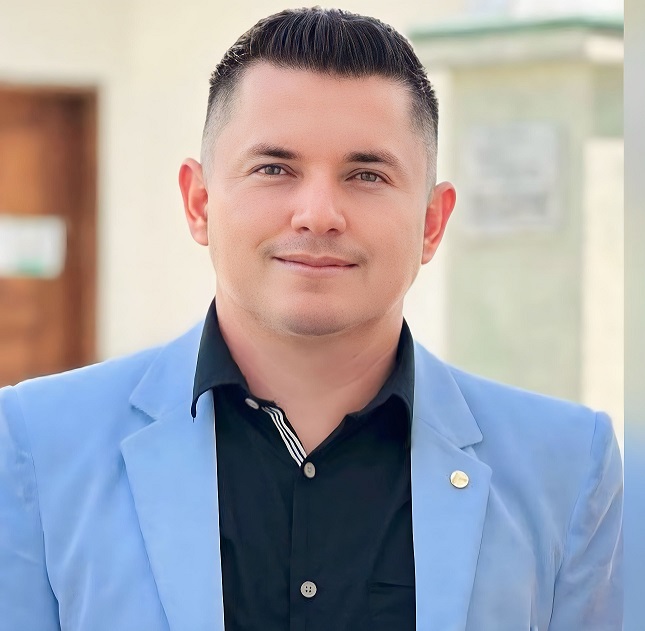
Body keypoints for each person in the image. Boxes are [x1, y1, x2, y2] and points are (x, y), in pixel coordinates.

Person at [0, 7, 622, 631]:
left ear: (432, 223)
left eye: (366, 174)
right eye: (275, 169)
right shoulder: (36, 444)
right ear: (200, 203)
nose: (319, 214)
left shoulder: (567, 469)